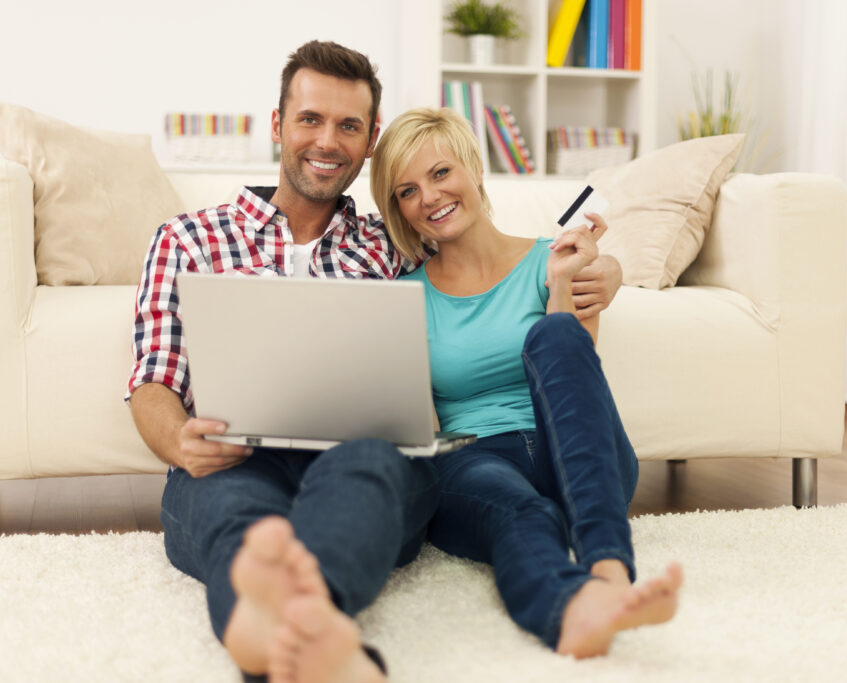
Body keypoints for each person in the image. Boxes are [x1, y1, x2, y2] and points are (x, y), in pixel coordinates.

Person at [126, 42, 623, 682]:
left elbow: (485, 263)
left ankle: (283, 631)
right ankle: (303, 640)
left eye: (349, 126)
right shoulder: (187, 238)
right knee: (236, 517)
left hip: (361, 456)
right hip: (230, 454)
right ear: (278, 125)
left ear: (369, 143)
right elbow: (153, 381)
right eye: (310, 119)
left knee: (372, 467)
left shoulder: (391, 243)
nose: (327, 141)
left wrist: (605, 273)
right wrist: (178, 441)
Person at [369, 107, 682, 659]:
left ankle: (609, 573)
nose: (429, 197)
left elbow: (577, 374)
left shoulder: (552, 259)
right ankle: (570, 612)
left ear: (474, 169)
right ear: (399, 210)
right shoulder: (406, 296)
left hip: (578, 452)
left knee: (556, 337)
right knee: (525, 513)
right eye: (407, 191)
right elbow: (419, 421)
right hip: (476, 460)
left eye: (441, 173)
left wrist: (563, 284)